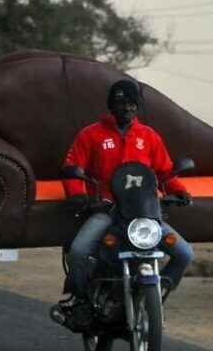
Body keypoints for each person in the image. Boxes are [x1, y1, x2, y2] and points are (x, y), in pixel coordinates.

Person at [57, 78, 194, 329]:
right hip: (107, 210)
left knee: (185, 253)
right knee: (78, 251)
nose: (127, 108)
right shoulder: (91, 134)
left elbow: (165, 172)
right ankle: (80, 302)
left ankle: (156, 293)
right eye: (121, 103)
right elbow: (72, 166)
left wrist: (179, 191)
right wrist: (79, 195)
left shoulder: (149, 136)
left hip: (144, 213)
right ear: (111, 105)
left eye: (132, 104)